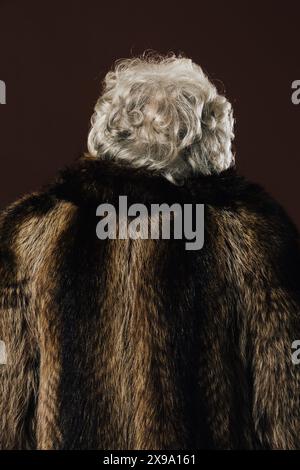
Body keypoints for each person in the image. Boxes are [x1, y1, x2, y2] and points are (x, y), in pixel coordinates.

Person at [0, 53, 300, 449]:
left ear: (109, 127)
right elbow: (287, 413)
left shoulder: (31, 234)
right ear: (212, 134)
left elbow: (7, 405)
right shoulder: (254, 235)